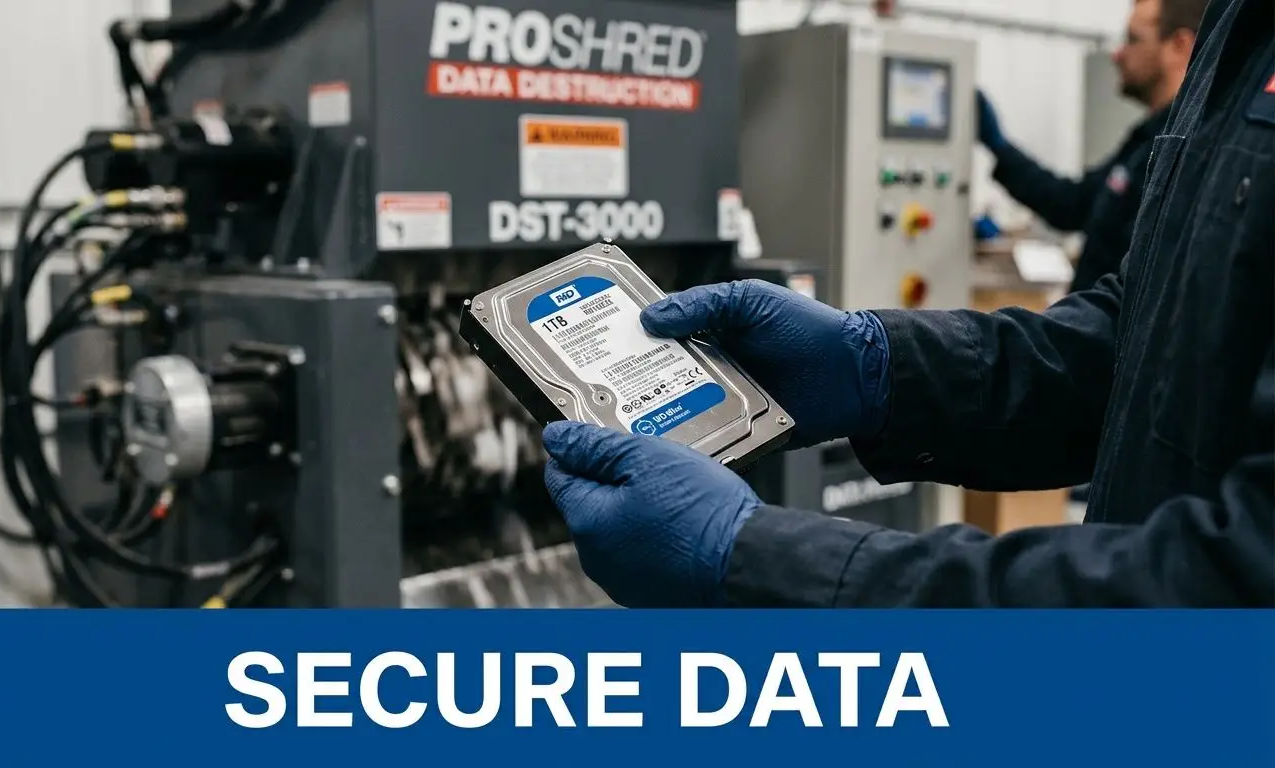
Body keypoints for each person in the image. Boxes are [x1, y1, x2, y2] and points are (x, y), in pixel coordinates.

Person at [538, 0, 1274, 608]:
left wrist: (761, 557)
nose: (1117, 52)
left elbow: (1238, 579)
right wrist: (884, 367)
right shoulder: (1236, 28)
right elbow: (1156, 331)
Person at [978, 0, 1207, 294]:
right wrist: (999, 148)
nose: (1116, 54)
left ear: (1179, 46)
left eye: (1133, 39)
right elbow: (1073, 204)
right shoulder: (1145, 141)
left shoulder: (1184, 156)